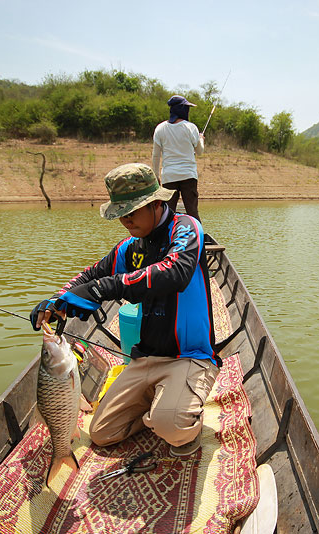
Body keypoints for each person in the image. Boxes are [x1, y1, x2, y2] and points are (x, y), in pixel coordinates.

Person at [30, 163, 220, 457]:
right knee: (102, 433)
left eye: (132, 211)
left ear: (157, 203)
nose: (126, 220)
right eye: (121, 214)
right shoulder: (130, 247)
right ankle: (162, 406)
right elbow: (91, 275)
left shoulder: (186, 228)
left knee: (172, 428)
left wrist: (109, 287)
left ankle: (180, 418)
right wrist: (57, 301)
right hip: (146, 358)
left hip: (189, 357)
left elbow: (175, 272)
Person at [152, 95, 205, 222]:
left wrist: (155, 175)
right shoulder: (191, 127)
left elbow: (156, 155)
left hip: (169, 177)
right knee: (192, 211)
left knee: (168, 213)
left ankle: (167, 239)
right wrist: (201, 139)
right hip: (189, 176)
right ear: (182, 109)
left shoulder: (160, 128)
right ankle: (197, 238)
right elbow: (200, 152)